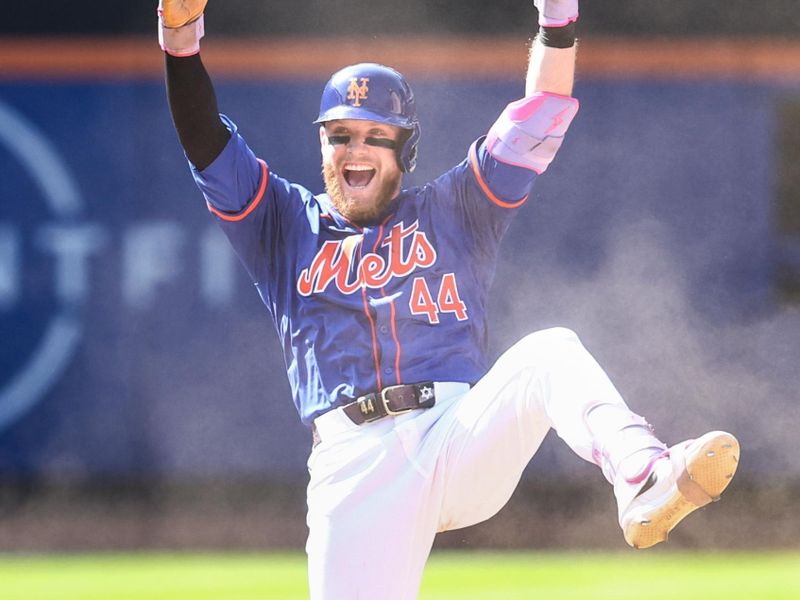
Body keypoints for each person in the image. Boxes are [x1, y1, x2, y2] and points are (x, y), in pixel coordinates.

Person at [159, 1, 740, 598]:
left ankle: (642, 472)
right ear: (322, 145)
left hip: (455, 434)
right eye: (340, 135)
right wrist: (181, 38)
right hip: (353, 463)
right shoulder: (283, 224)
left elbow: (540, 115)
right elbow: (205, 139)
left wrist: (557, 22)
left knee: (550, 353)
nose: (355, 150)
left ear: (404, 150)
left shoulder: (454, 210)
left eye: (375, 137)